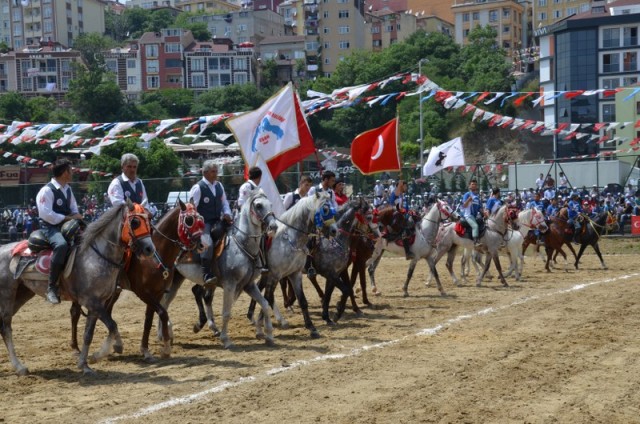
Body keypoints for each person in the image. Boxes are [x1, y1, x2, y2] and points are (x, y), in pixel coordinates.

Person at [36, 159, 83, 304]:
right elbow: (46, 214)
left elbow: (74, 208)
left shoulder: (67, 189)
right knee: (61, 245)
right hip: (50, 227)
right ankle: (51, 287)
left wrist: (76, 216)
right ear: (64, 173)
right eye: (70, 170)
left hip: (67, 223)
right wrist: (68, 218)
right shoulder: (47, 190)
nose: (73, 172)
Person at [189, 160, 233, 285]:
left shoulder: (219, 185)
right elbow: (192, 209)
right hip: (203, 222)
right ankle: (206, 273)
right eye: (213, 172)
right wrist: (198, 223)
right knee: (206, 242)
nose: (216, 174)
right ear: (205, 172)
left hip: (218, 220)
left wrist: (227, 214)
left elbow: (225, 203)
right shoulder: (198, 188)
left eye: (216, 171)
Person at [460, 179, 484, 246]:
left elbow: (479, 208)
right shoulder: (467, 194)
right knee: (475, 226)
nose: (474, 186)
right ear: (469, 186)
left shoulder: (477, 196)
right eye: (472, 184)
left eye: (475, 184)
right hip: (468, 215)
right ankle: (475, 242)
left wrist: (484, 212)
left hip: (474, 216)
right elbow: (464, 205)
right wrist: (468, 200)